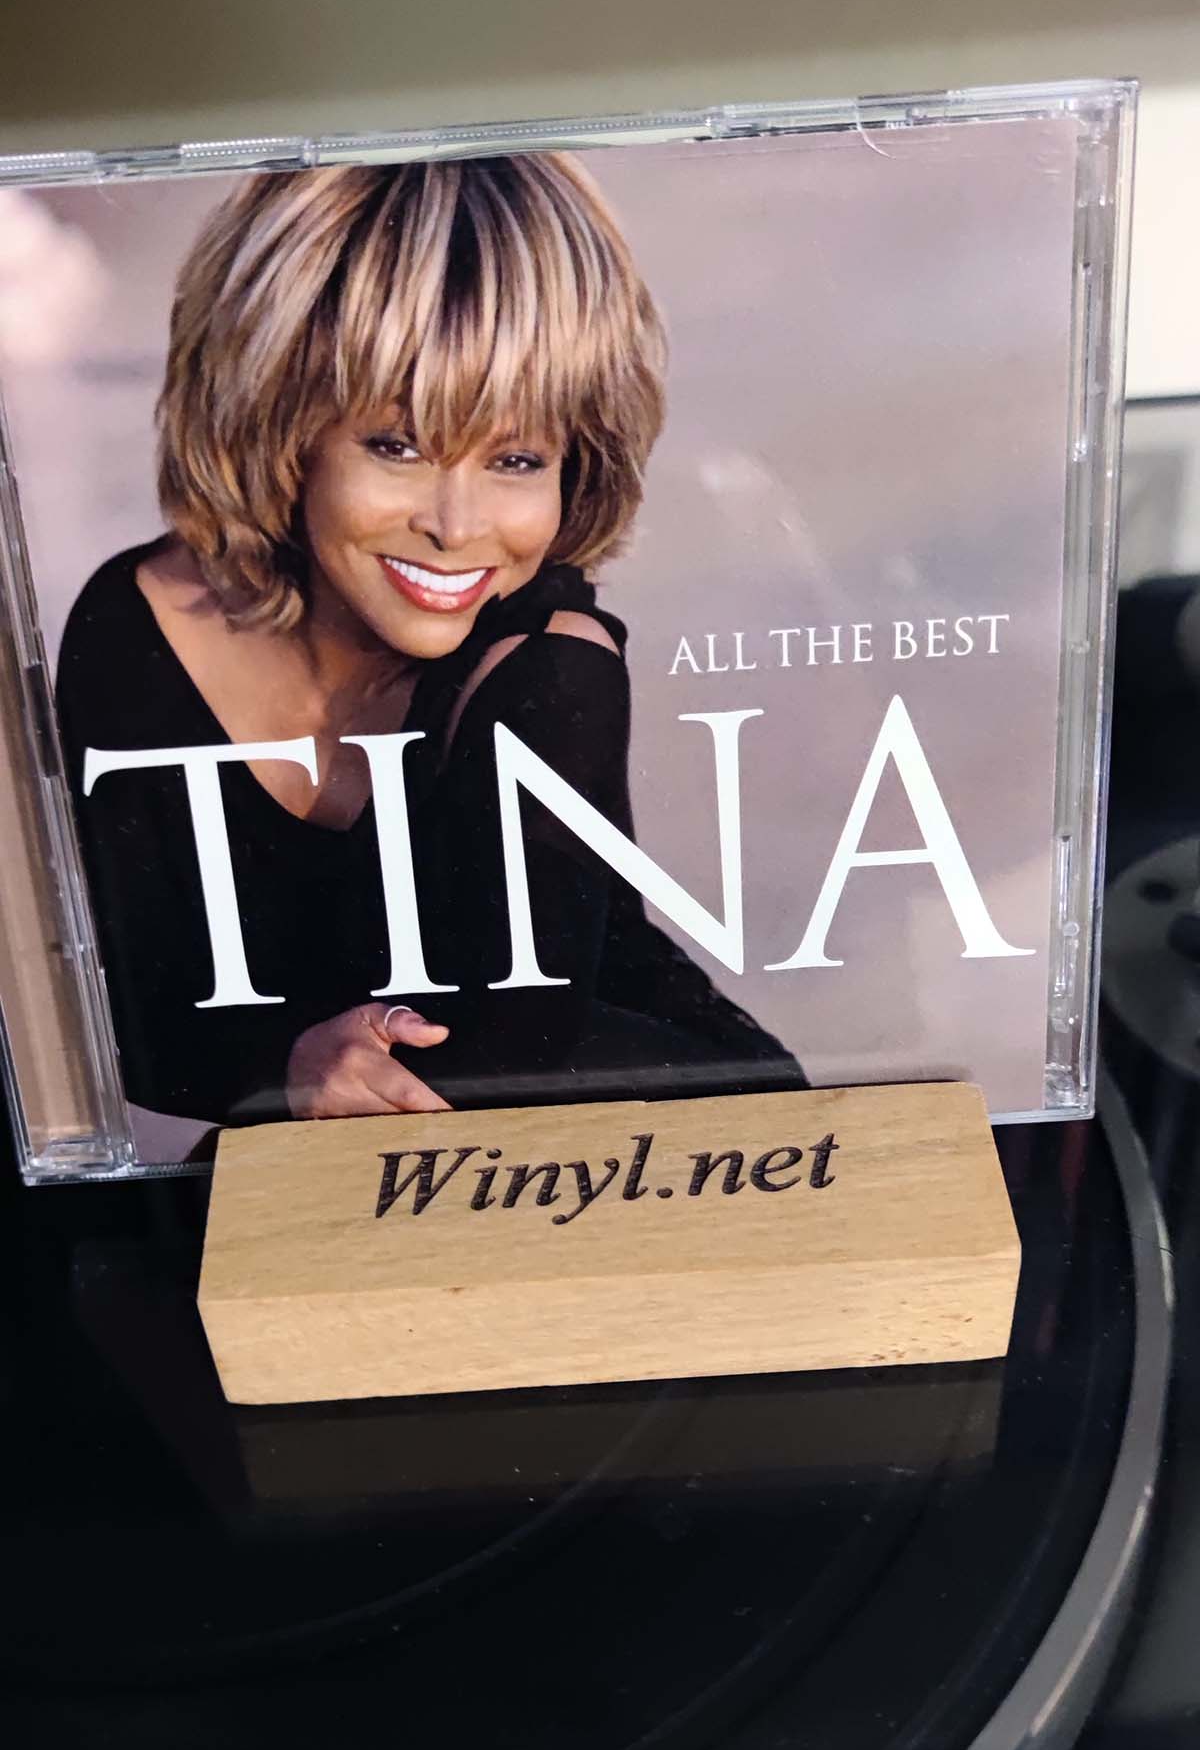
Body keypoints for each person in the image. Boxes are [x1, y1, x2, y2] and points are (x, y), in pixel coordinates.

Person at [56, 153, 798, 1132]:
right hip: (382, 1171)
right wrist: (291, 1066)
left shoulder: (550, 666)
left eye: (516, 459)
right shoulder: (136, 622)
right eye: (396, 446)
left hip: (682, 1138)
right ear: (284, 427)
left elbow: (501, 1060)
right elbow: (121, 1024)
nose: (455, 525)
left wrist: (294, 1078)